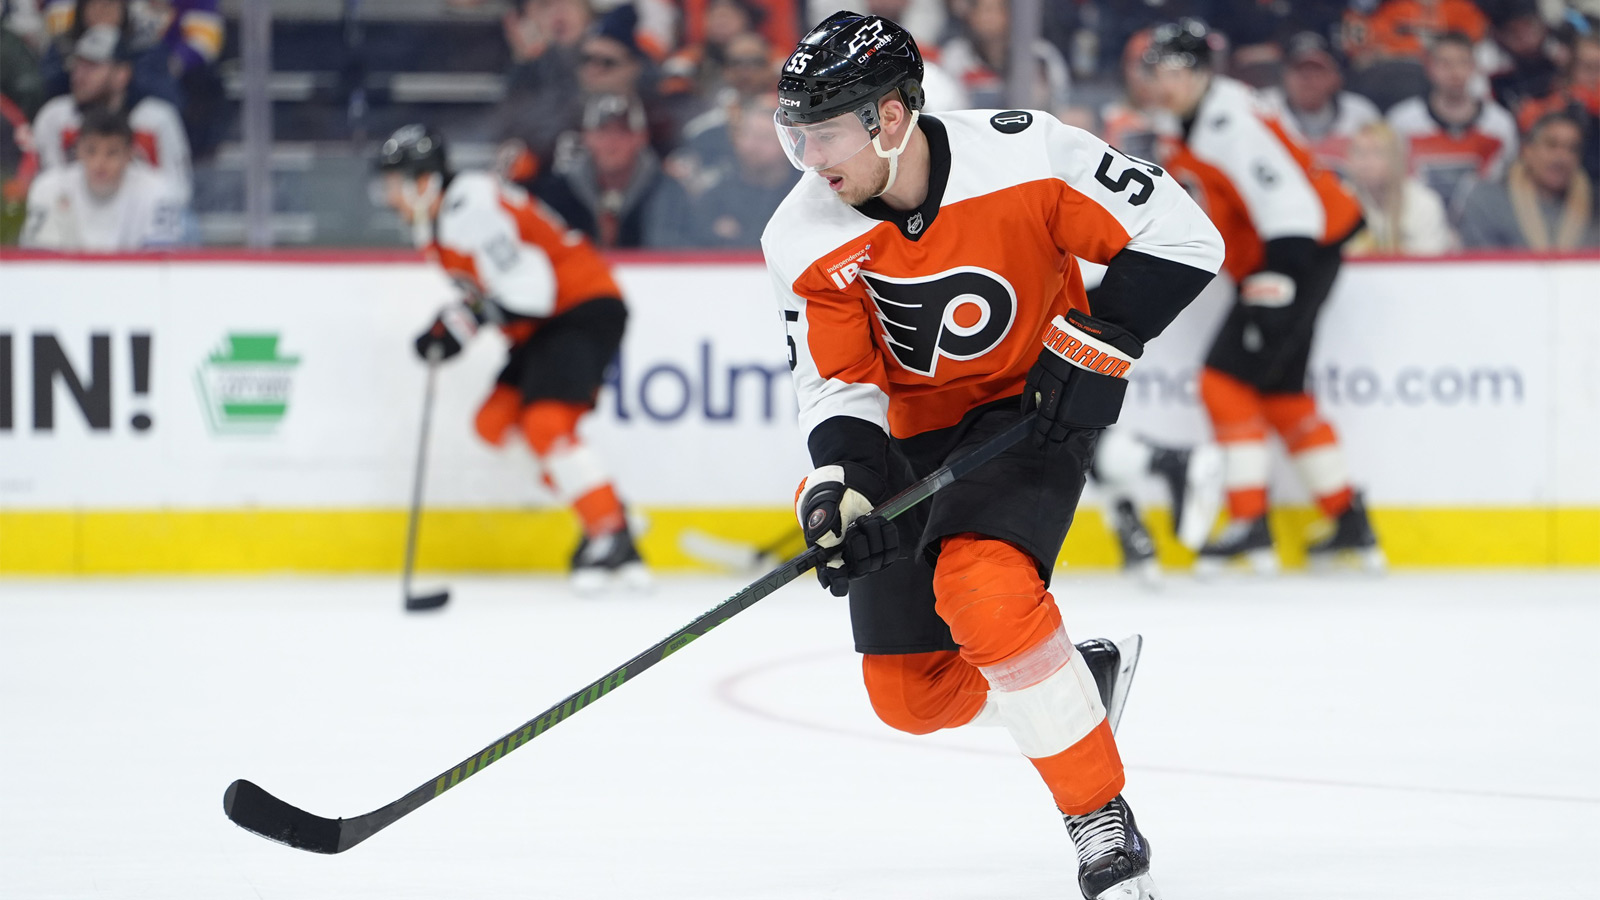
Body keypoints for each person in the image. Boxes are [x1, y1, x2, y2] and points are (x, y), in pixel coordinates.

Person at [764, 12, 1224, 899]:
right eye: (798, 136)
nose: (809, 159)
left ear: (889, 119)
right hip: (906, 432)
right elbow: (838, 386)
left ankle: (1101, 822)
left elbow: (1184, 236)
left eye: (822, 134)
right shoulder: (804, 232)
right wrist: (843, 491)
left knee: (982, 587)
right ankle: (1074, 680)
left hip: (1028, 411)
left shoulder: (1031, 157)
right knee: (911, 697)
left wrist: (1098, 342)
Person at [1145, 18, 1384, 574]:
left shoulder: (1229, 122)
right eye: (1158, 70)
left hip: (1298, 252)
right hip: (1298, 253)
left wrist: (1275, 281)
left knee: (1224, 381)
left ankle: (1251, 525)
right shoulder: (1195, 116)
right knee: (1279, 393)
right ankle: (1349, 520)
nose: (1165, 82)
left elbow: (1293, 207)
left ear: (1204, 72)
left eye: (1177, 70)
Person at [375, 124, 648, 590]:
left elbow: (532, 291)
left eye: (394, 184)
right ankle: (603, 510)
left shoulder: (469, 207)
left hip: (580, 307)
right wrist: (454, 324)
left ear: (423, 182)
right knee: (495, 423)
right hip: (546, 321)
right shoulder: (438, 221)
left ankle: (611, 533)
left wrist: (462, 326)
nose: (387, 196)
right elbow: (493, 293)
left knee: (545, 423)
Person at [31, 23, 190, 202]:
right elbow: (48, 186)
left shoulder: (157, 118)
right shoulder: (54, 116)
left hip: (141, 220)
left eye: (92, 66)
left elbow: (178, 191)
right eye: (77, 64)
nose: (78, 74)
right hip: (74, 219)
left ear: (121, 74)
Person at [532, 92, 689, 248]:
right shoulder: (557, 193)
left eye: (623, 132)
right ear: (586, 136)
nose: (612, 143)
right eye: (602, 131)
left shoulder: (669, 192)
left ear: (642, 137)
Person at [1387, 31, 1519, 216]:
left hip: (1482, 225)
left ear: (1474, 67)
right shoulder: (1402, 121)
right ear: (1429, 68)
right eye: (1444, 64)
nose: (1454, 72)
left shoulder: (1499, 123)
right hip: (1419, 222)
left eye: (1462, 62)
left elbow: (1509, 184)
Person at [21, 106, 182, 250]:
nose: (100, 163)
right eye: (91, 151)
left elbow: (160, 262)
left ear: (128, 155)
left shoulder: (157, 191)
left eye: (112, 153)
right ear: (78, 151)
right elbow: (39, 261)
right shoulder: (49, 188)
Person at [1457, 111, 1597, 248]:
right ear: (1527, 150)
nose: (1562, 157)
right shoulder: (1487, 201)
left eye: (1572, 149)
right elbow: (1482, 265)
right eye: (1551, 145)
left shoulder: (1594, 208)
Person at [681, 94, 798, 247]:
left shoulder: (804, 194)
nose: (752, 146)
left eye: (764, 138)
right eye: (747, 134)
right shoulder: (715, 196)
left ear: (789, 143)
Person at [1261, 32, 1383, 177]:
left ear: (1335, 78)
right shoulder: (1263, 109)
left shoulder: (1361, 114)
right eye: (1300, 71)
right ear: (1284, 76)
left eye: (1317, 71)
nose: (1308, 80)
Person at [1344, 121, 1457, 254]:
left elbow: (1429, 266)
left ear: (1397, 159)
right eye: (1359, 152)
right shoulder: (1341, 200)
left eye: (1377, 153)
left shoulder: (1424, 203)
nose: (1366, 162)